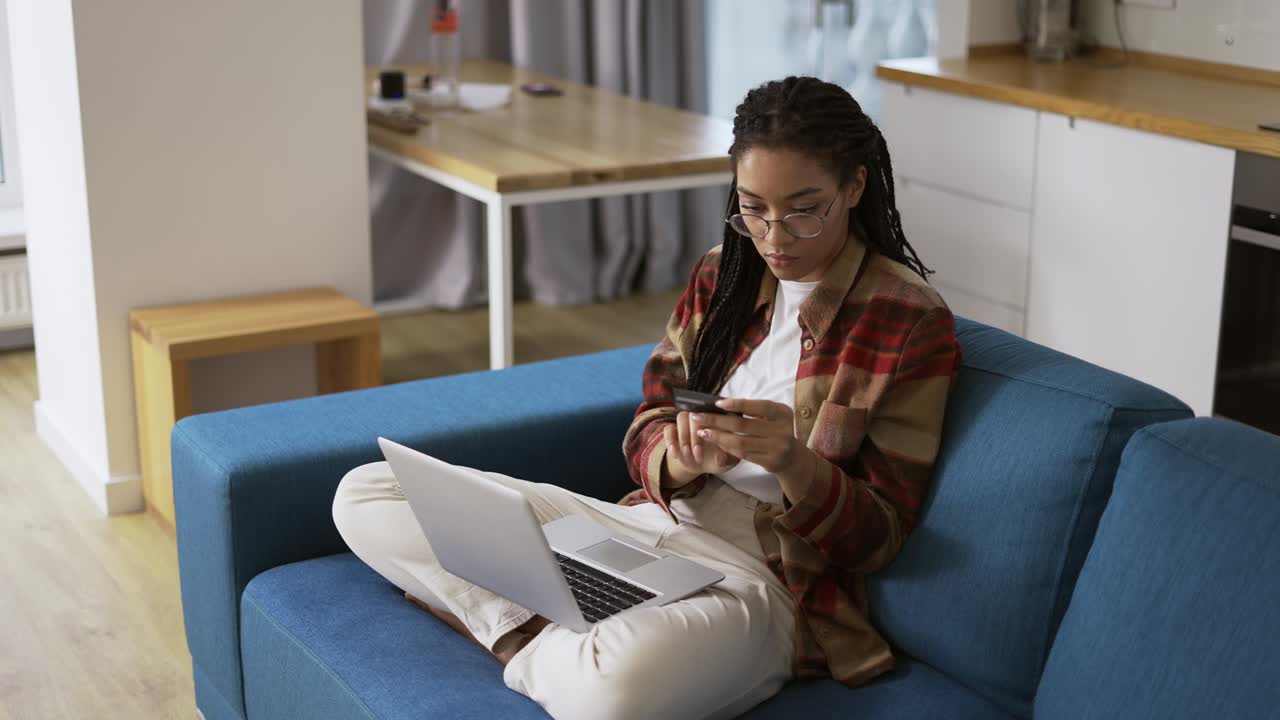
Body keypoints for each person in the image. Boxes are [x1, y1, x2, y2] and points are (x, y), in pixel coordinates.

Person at [333, 75, 961, 720]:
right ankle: (528, 629)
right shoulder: (725, 274)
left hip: (766, 581)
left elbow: (878, 538)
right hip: (642, 527)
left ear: (854, 187)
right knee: (366, 491)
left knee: (615, 693)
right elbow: (648, 424)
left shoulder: (908, 320)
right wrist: (684, 459)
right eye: (752, 207)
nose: (773, 237)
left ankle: (509, 629)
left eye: (804, 210)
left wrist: (794, 464)